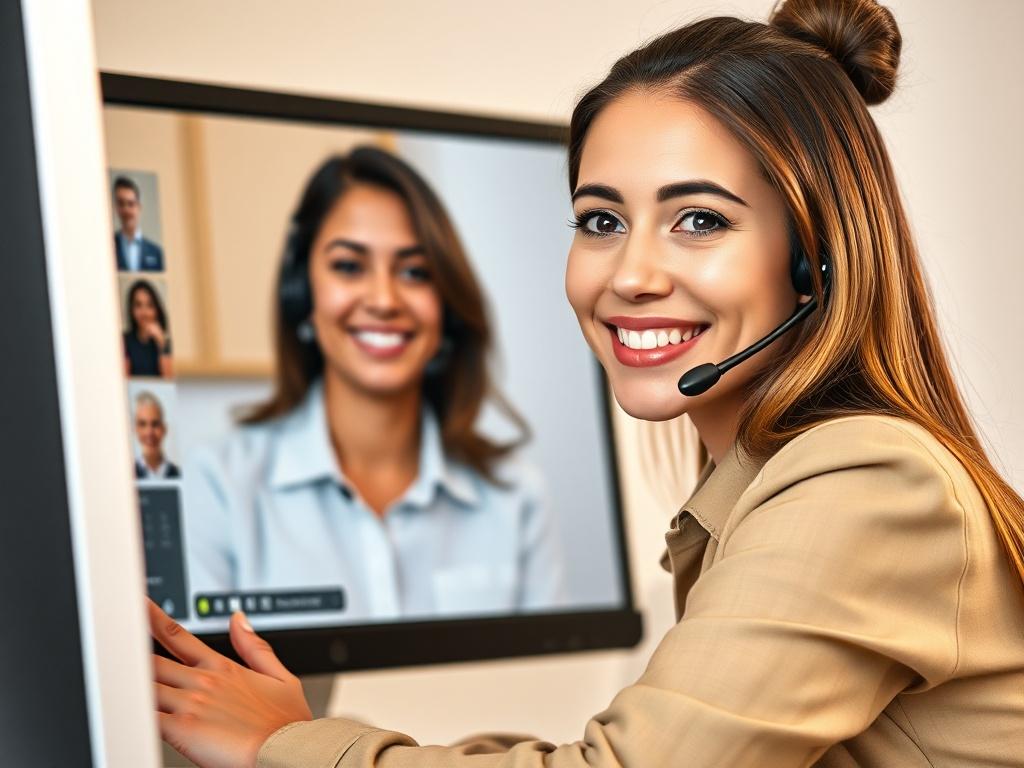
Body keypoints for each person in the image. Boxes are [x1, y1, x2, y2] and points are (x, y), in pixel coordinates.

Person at [147, 1, 1024, 766]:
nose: (629, 274)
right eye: (601, 219)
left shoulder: (865, 483)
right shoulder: (768, 482)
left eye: (699, 220)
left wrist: (280, 748)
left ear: (814, 260)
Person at [181, 147, 565, 623]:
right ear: (302, 291)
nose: (384, 300)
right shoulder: (217, 486)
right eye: (348, 266)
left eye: (414, 272)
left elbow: (539, 689)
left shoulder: (515, 494)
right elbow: (205, 689)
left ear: (444, 302)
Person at [123, 278, 173, 378]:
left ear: (157, 309)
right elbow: (124, 380)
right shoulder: (125, 340)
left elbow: (169, 380)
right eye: (138, 305)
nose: (144, 312)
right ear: (132, 310)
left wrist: (161, 342)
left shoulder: (167, 342)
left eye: (149, 305)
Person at [113, 175, 165, 272]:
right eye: (121, 204)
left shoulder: (156, 252)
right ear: (116, 208)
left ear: (139, 207)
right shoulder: (109, 247)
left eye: (130, 204)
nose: (126, 210)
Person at [133, 390, 181, 480]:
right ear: (136, 430)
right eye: (143, 424)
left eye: (155, 424)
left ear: (164, 429)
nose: (149, 432)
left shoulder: (180, 475)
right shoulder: (128, 476)